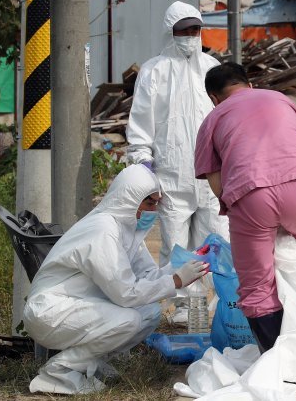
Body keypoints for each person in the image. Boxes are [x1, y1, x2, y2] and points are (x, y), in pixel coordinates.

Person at [23, 165, 210, 394]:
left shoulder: (126, 229)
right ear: (130, 199)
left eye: (156, 203)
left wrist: (185, 265)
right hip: (50, 312)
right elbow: (125, 293)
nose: (154, 210)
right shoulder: (103, 230)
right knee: (128, 319)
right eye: (149, 203)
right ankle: (59, 371)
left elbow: (147, 276)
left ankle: (92, 362)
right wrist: (176, 281)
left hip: (77, 306)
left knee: (150, 312)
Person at [194, 62, 296, 354]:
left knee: (256, 286)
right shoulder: (281, 99)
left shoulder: (213, 119)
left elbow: (217, 185)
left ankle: (282, 364)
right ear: (249, 84)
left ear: (214, 97)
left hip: (251, 195)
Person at [126, 1, 228, 267]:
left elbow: (226, 117)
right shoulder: (153, 71)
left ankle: (220, 306)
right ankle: (184, 308)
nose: (190, 36)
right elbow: (140, 124)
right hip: (172, 179)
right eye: (183, 31)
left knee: (219, 248)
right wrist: (144, 167)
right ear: (170, 32)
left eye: (195, 30)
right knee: (177, 251)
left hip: (212, 179)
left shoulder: (212, 67)